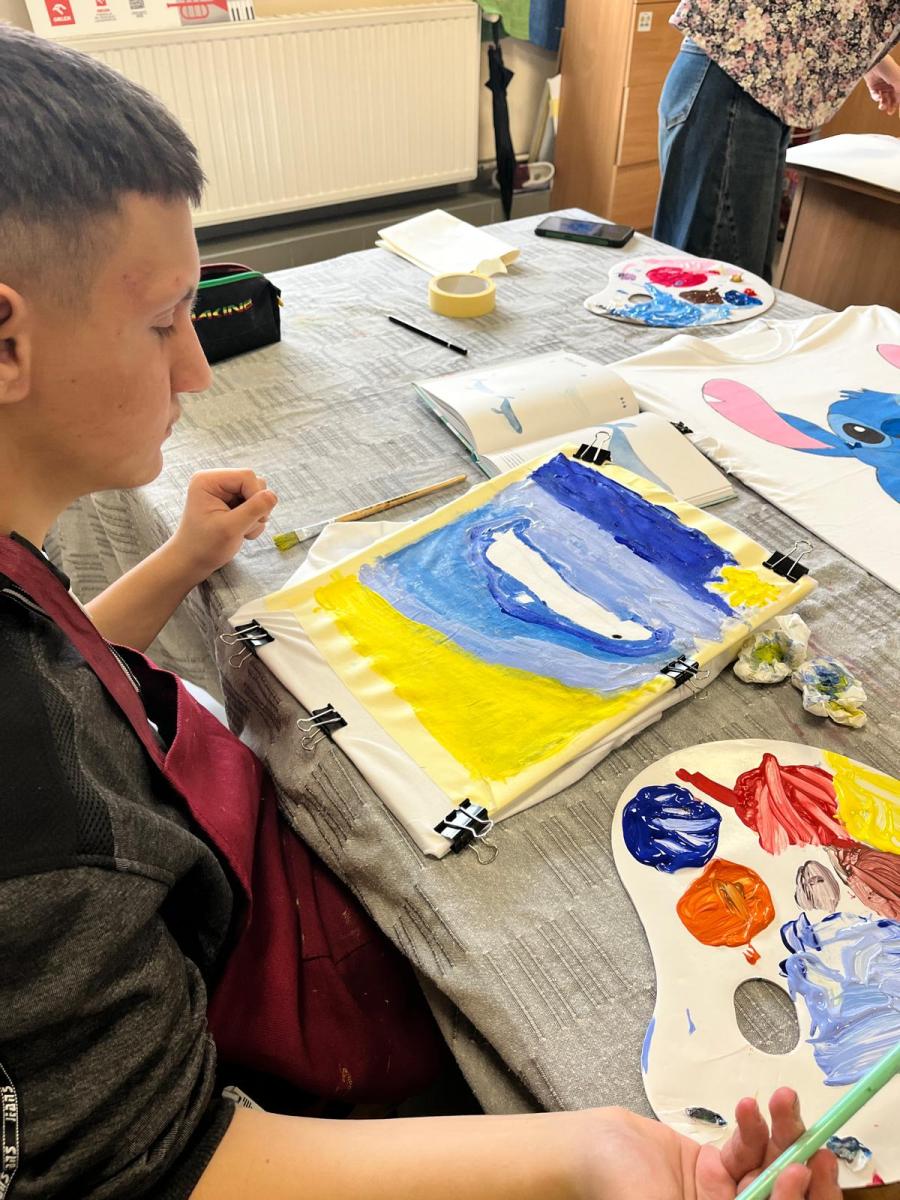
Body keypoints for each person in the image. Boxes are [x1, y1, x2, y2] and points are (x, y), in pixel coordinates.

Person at [0, 24, 841, 1200]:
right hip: (283, 1014)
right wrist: (584, 1152)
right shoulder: (31, 808)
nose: (195, 370)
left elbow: (69, 656)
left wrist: (181, 562)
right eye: (164, 321)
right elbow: (174, 1163)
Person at [652, 0, 900, 281]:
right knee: (714, 286)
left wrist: (877, 64)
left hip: (749, 83)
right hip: (738, 78)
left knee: (740, 279)